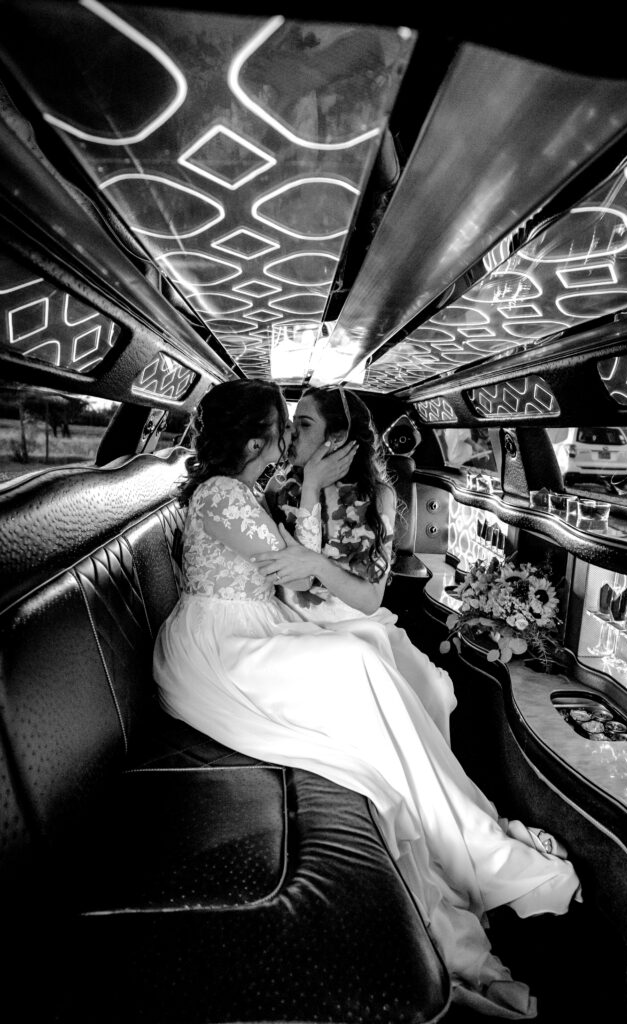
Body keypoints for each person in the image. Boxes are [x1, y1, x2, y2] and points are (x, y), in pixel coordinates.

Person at [153, 380, 582, 1021]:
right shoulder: (223, 494)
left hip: (252, 627)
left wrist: (312, 499)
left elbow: (298, 577)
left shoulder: (241, 492)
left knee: (373, 646)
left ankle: (465, 827)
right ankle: (471, 839)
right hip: (221, 647)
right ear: (255, 441)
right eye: (282, 429)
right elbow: (297, 572)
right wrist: (316, 493)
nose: (285, 444)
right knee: (359, 655)